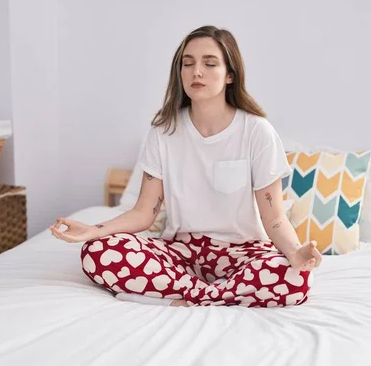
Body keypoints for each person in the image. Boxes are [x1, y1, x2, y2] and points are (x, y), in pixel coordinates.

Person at [50, 25, 322, 307]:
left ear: (230, 74)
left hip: (246, 253)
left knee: (296, 278)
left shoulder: (257, 131)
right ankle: (216, 295)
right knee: (98, 252)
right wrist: (94, 230)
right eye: (188, 63)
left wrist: (295, 252)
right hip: (181, 253)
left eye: (209, 63)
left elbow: (275, 218)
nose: (196, 72)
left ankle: (179, 298)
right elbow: (144, 213)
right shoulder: (163, 131)